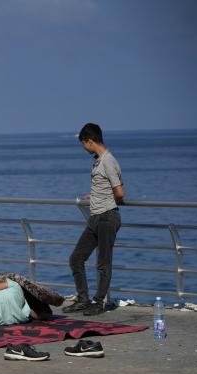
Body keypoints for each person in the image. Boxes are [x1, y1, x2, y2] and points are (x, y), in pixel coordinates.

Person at [63, 123, 124, 316]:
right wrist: (95, 197)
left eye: (84, 144)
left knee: (103, 263)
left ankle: (99, 302)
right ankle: (83, 299)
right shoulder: (98, 160)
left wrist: (104, 200)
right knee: (76, 258)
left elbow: (120, 193)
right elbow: (104, 186)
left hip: (107, 217)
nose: (84, 148)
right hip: (96, 217)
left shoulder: (108, 161)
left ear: (90, 141)